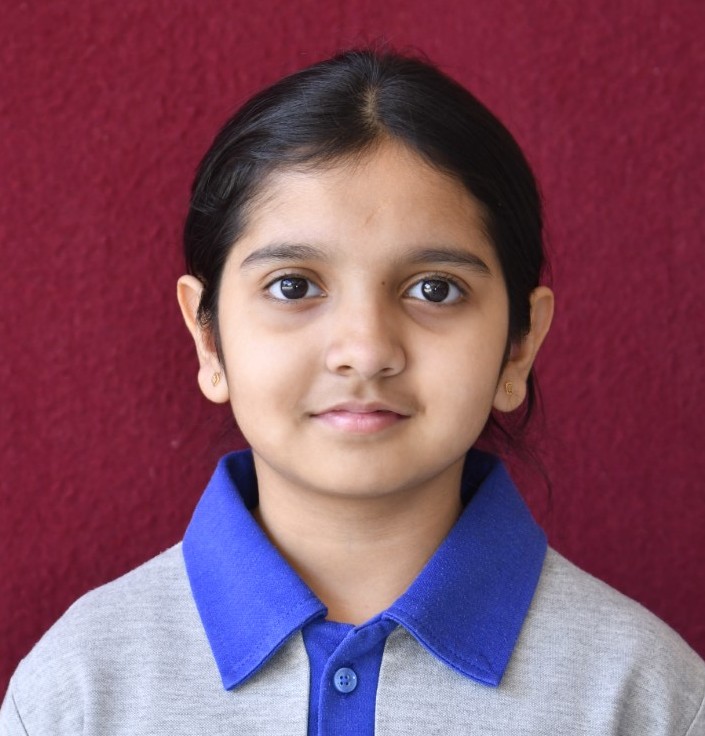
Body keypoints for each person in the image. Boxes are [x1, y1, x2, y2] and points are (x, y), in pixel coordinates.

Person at [1, 48, 703, 736]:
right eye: (293, 287)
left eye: (435, 289)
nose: (365, 351)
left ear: (518, 343)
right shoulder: (79, 693)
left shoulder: (646, 700)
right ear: (208, 338)